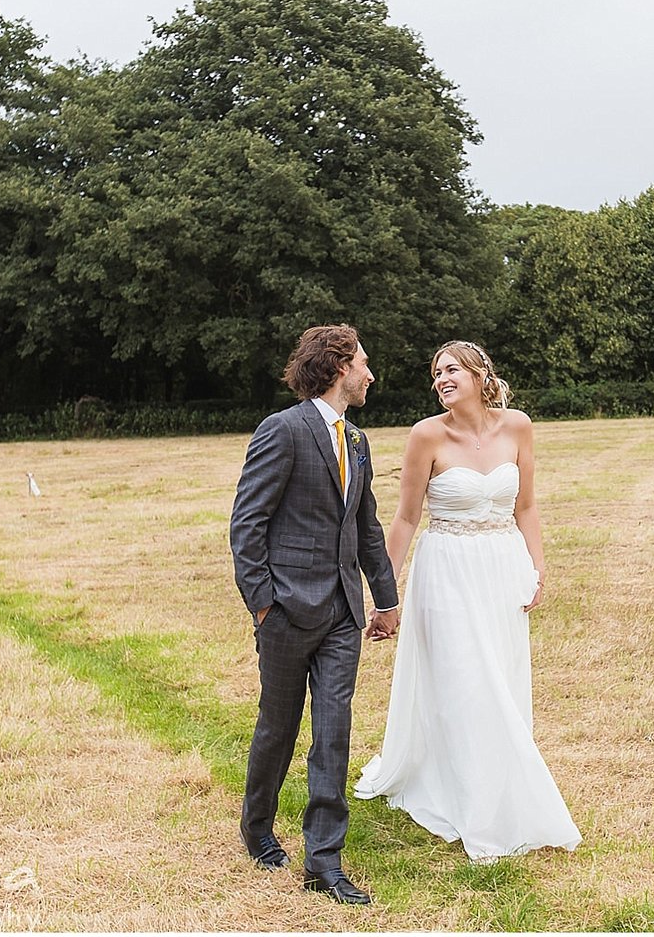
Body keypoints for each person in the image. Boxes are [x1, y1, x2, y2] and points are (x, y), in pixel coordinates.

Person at [353, 340, 581, 860]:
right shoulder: (425, 435)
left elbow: (526, 506)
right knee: (462, 678)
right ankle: (468, 799)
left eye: (451, 369)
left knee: (498, 676)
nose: (441, 379)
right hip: (447, 570)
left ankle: (498, 780)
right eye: (436, 373)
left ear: (480, 374)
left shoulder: (518, 426)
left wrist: (536, 566)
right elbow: (407, 518)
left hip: (501, 569)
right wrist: (385, 593)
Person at [229, 324, 401, 905]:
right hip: (283, 611)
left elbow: (367, 526)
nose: (370, 375)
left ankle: (323, 861)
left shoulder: (357, 440)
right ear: (337, 366)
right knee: (278, 727)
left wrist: (387, 597)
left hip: (341, 612)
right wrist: (262, 604)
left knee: (334, 731)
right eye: (364, 363)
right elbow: (247, 524)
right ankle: (257, 830)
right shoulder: (283, 430)